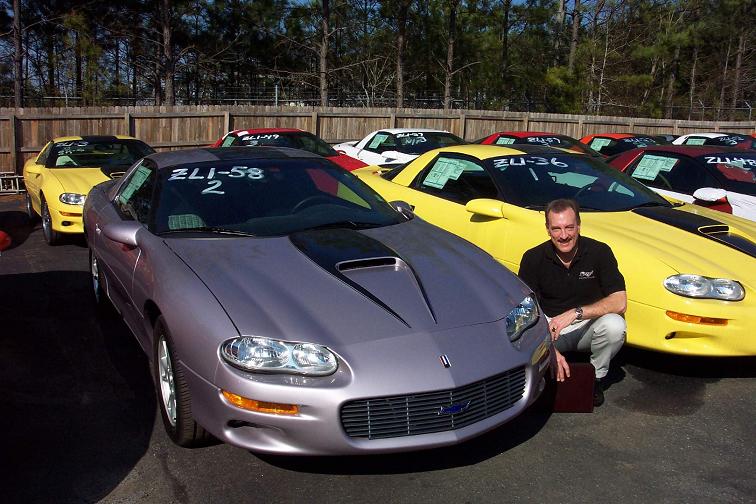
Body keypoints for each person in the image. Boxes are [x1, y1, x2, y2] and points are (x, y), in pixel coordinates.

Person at [519, 198, 626, 406]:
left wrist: (575, 313)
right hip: (551, 327)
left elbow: (620, 301)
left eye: (569, 227)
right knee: (522, 336)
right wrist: (547, 347)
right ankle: (543, 377)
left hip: (586, 325)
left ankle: (595, 379)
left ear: (579, 225)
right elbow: (525, 311)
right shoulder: (533, 258)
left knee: (615, 325)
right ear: (548, 229)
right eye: (556, 229)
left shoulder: (600, 252)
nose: (564, 235)